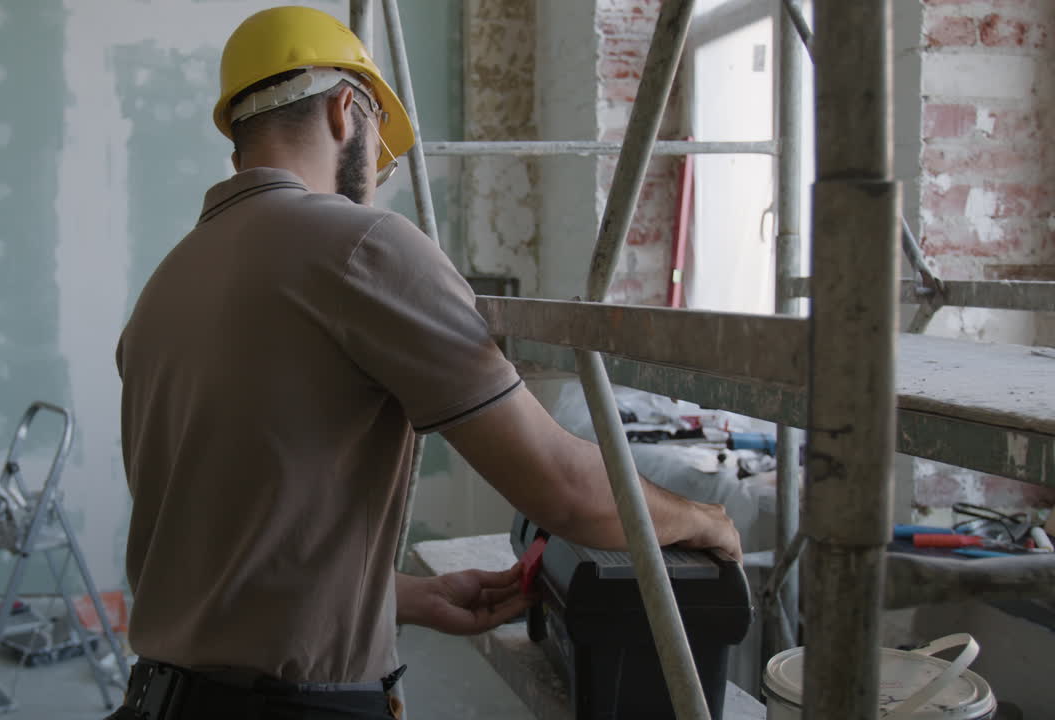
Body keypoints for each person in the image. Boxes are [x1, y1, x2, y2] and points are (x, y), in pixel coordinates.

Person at [110, 7, 741, 719]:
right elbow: (563, 491)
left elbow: (222, 538)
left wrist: (402, 597)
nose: (377, 177)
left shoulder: (166, 287)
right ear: (347, 110)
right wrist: (701, 518)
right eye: (380, 141)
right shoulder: (359, 247)